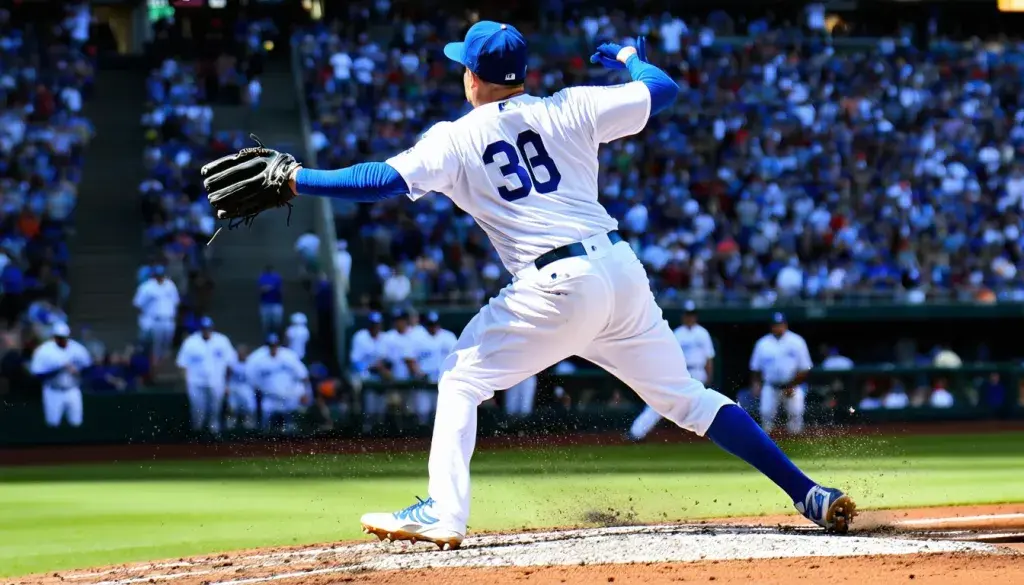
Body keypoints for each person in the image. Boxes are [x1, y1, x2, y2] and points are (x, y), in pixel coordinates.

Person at [260, 23, 854, 548]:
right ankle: (808, 493)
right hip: (619, 270)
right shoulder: (567, 106)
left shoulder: (454, 136)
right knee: (687, 400)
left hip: (554, 283)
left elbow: (379, 181)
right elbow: (663, 89)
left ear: (472, 77)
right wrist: (628, 58)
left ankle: (444, 510)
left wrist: (297, 179)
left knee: (461, 378)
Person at [627, 300, 714, 441]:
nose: (690, 317)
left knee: (701, 405)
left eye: (692, 314)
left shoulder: (702, 333)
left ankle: (710, 436)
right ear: (683, 316)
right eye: (687, 314)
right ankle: (636, 432)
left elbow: (709, 357)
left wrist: (709, 376)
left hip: (698, 371)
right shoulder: (678, 333)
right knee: (659, 402)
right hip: (682, 373)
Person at [750, 313, 814, 435]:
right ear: (771, 326)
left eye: (780, 324)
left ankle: (796, 444)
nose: (778, 327)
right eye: (775, 325)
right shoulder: (762, 343)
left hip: (793, 386)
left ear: (785, 325)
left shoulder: (797, 341)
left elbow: (806, 368)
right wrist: (756, 384)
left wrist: (792, 385)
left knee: (795, 414)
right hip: (770, 386)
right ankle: (767, 445)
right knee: (766, 413)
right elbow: (755, 368)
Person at [175, 317, 236, 435]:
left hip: (217, 381)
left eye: (208, 328)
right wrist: (186, 381)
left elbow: (230, 363)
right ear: (200, 329)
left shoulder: (222, 340)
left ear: (212, 328)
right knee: (198, 410)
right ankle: (197, 435)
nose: (206, 331)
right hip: (195, 382)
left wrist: (228, 384)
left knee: (215, 410)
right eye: (204, 328)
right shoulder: (191, 342)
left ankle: (214, 436)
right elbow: (182, 364)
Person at [30, 322, 92, 428]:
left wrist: (78, 371)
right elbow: (37, 374)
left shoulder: (77, 348)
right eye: (60, 337)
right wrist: (60, 369)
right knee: (53, 424)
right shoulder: (44, 350)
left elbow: (89, 366)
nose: (63, 340)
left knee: (76, 423)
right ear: (54, 337)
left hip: (72, 390)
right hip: (53, 391)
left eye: (65, 337)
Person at [247, 333, 310, 434]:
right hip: (269, 397)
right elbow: (252, 379)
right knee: (266, 426)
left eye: (275, 344)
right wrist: (258, 392)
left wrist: (306, 392)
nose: (273, 347)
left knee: (291, 425)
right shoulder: (258, 359)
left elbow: (303, 375)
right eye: (270, 345)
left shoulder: (289, 356)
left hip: (289, 396)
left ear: (278, 344)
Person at [413, 311, 457, 426]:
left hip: (443, 382)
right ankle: (420, 441)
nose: (433, 327)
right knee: (422, 413)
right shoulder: (418, 338)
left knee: (441, 414)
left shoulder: (449, 337)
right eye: (430, 324)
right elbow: (411, 360)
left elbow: (458, 357)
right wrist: (418, 372)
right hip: (425, 383)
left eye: (435, 324)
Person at [132, 265, 180, 362]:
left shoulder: (170, 285)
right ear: (154, 275)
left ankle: (164, 362)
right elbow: (138, 304)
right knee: (155, 346)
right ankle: (155, 364)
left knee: (167, 344)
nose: (160, 277)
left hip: (169, 319)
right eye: (158, 275)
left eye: (161, 275)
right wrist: (145, 317)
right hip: (154, 320)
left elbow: (176, 301)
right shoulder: (146, 287)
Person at [226, 344, 257, 430]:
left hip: (246, 389)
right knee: (232, 409)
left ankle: (250, 429)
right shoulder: (232, 362)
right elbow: (227, 375)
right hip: (234, 388)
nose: (241, 354)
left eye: (243, 352)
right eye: (239, 352)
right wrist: (227, 386)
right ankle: (230, 429)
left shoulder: (252, 363)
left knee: (250, 409)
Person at [257, 265, 284, 335]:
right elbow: (260, 289)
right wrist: (265, 288)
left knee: (277, 322)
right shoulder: (262, 277)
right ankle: (266, 338)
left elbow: (281, 289)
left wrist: (277, 290)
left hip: (276, 302)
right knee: (265, 323)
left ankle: (276, 336)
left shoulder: (277, 277)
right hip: (265, 303)